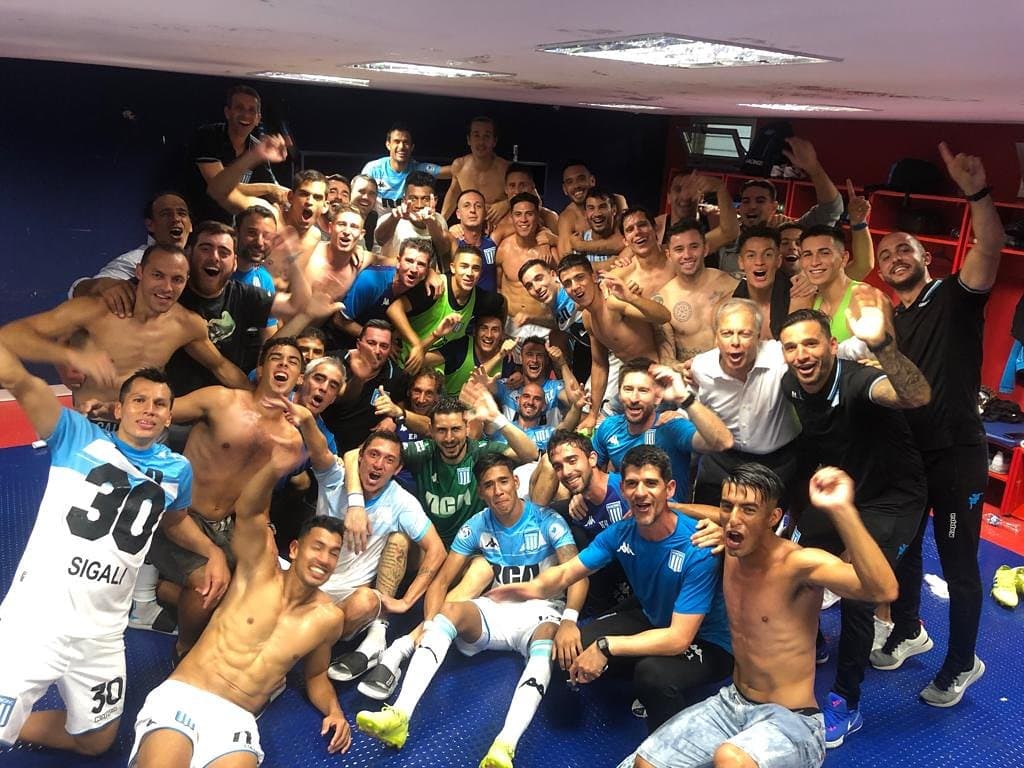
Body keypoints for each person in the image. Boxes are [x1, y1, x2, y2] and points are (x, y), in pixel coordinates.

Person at [618, 464, 899, 768]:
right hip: (731, 703)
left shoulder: (799, 564)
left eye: (749, 510)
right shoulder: (729, 545)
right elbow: (717, 516)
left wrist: (842, 509)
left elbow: (883, 589)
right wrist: (671, 506)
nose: (734, 519)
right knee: (645, 762)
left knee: (730, 759)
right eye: (728, 506)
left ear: (773, 517)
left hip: (793, 721)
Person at [0, 349, 194, 756]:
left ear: (169, 418)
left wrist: (211, 552)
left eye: (160, 404)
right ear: (119, 408)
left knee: (96, 741)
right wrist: (64, 352)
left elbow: (174, 519)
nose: (149, 409)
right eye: (139, 400)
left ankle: (14, 724)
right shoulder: (75, 434)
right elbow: (15, 375)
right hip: (37, 620)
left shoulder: (178, 470)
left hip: (103, 633)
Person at [128, 438, 359, 766]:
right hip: (187, 693)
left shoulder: (329, 619)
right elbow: (249, 511)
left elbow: (316, 675)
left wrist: (335, 711)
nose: (324, 558)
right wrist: (274, 468)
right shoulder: (257, 572)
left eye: (334, 553)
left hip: (237, 718)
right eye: (317, 547)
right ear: (295, 549)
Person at [869, 142, 1003, 707]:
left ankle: (962, 661)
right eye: (886, 253)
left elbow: (990, 246)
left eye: (905, 248)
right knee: (902, 549)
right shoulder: (888, 325)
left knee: (958, 562)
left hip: (955, 453)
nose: (895, 257)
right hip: (908, 455)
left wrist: (977, 192)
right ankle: (908, 629)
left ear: (927, 257)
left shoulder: (952, 296)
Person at [356, 453, 585, 768]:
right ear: (480, 492)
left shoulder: (548, 521)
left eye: (503, 481)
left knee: (547, 639)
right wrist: (429, 626)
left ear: (515, 482)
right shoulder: (476, 525)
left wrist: (570, 620)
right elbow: (441, 582)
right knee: (449, 611)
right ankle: (400, 715)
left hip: (541, 613)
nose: (498, 491)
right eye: (489, 485)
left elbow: (578, 574)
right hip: (496, 609)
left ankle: (504, 746)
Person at [490, 445, 732, 732]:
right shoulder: (621, 532)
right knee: (568, 652)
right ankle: (632, 673)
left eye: (650, 483)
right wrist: (525, 589)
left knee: (652, 676)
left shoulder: (698, 545)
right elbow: (567, 572)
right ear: (623, 489)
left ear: (669, 489)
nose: (640, 492)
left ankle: (668, 745)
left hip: (707, 641)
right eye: (632, 484)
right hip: (654, 618)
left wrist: (606, 647)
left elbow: (679, 638)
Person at [779, 301, 930, 747]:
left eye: (811, 344)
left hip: (892, 498)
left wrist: (882, 344)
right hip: (843, 490)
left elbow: (914, 396)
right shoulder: (792, 384)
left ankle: (846, 701)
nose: (802, 355)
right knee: (791, 560)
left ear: (832, 345)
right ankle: (815, 640)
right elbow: (814, 442)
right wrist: (793, 509)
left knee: (859, 593)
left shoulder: (859, 380)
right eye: (791, 347)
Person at [145, 336, 307, 657]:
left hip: (227, 526)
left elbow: (260, 494)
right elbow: (160, 412)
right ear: (261, 368)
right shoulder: (221, 400)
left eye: (292, 362)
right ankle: (186, 650)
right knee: (209, 585)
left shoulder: (291, 438)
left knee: (263, 590)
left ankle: (165, 590)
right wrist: (108, 407)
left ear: (299, 377)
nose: (283, 365)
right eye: (276, 358)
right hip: (180, 515)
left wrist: (267, 533)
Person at [0, 243, 250, 422]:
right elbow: (10, 336)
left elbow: (221, 367)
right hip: (91, 424)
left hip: (142, 429)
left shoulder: (187, 325)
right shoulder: (96, 310)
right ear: (139, 272)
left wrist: (259, 399)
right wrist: (70, 356)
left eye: (177, 279)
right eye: (157, 275)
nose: (167, 287)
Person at [292, 427, 445, 686]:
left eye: (389, 460)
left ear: (397, 469)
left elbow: (437, 550)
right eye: (374, 455)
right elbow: (325, 450)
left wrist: (406, 601)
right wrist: (355, 504)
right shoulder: (336, 477)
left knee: (368, 597)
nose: (379, 464)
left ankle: (364, 636)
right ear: (360, 457)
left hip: (347, 599)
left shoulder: (402, 502)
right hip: (309, 580)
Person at [689, 299, 801, 506]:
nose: (735, 342)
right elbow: (693, 404)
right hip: (722, 462)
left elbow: (827, 352)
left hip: (778, 463)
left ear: (759, 337)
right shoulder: (701, 367)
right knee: (705, 519)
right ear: (716, 337)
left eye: (745, 334)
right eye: (726, 333)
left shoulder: (779, 356)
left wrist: (866, 344)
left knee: (775, 522)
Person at [592, 358, 733, 501]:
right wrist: (584, 494)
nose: (634, 398)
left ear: (657, 398)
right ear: (619, 393)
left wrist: (684, 398)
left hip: (669, 512)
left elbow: (723, 442)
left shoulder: (672, 428)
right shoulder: (609, 427)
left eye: (643, 390)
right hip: (627, 511)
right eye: (628, 389)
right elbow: (590, 466)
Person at [556, 254, 671, 427]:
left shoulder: (613, 302)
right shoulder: (587, 317)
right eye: (567, 283)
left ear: (594, 277)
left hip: (657, 383)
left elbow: (664, 316)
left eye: (580, 277)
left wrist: (631, 298)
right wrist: (593, 414)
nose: (575, 287)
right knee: (600, 423)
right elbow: (599, 364)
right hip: (630, 383)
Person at [716, 138, 842, 274]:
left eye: (760, 201)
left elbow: (831, 209)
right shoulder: (726, 235)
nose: (752, 206)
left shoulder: (792, 233)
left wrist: (813, 168)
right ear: (739, 207)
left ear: (773, 207)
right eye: (746, 201)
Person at [387, 244, 505, 374]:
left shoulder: (480, 298)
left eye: (475, 268)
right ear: (453, 268)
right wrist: (416, 344)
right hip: (402, 357)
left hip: (431, 365)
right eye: (464, 266)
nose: (470, 273)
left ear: (480, 273)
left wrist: (500, 338)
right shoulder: (435, 287)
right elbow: (394, 308)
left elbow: (502, 303)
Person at [69, 191, 193, 302]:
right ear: (150, 225)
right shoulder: (136, 259)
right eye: (166, 214)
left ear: (191, 225)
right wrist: (102, 284)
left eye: (182, 213)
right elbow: (82, 291)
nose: (176, 219)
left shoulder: (198, 260)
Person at [188, 84, 283, 224]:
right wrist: (269, 189)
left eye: (251, 110)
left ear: (258, 119)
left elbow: (274, 193)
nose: (246, 115)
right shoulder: (209, 136)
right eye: (239, 108)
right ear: (227, 112)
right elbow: (218, 188)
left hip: (234, 229)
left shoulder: (257, 146)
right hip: (199, 224)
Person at [654, 219, 739, 362]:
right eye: (679, 249)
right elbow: (667, 359)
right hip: (689, 374)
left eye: (694, 247)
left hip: (734, 370)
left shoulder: (732, 284)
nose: (687, 255)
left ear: (705, 249)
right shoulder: (662, 301)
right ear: (669, 255)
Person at [733, 225, 815, 340]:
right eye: (751, 255)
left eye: (768, 255)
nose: (759, 262)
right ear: (741, 262)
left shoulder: (798, 295)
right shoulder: (729, 300)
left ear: (778, 261)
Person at [496, 193, 558, 339]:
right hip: (512, 325)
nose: (523, 220)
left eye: (529, 214)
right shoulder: (503, 249)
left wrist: (551, 239)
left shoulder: (550, 252)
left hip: (545, 326)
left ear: (537, 216)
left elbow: (564, 288)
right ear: (512, 217)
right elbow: (497, 288)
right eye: (518, 214)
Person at [440, 116, 511, 222]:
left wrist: (507, 203)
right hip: (469, 226)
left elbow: (532, 197)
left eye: (486, 136)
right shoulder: (459, 166)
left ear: (494, 141)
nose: (481, 142)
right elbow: (454, 194)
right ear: (469, 140)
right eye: (476, 136)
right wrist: (441, 222)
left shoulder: (506, 169)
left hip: (500, 226)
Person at [361, 123, 446, 209]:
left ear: (412, 147)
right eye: (396, 142)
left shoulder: (419, 169)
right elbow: (359, 195)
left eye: (406, 142)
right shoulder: (373, 169)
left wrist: (444, 215)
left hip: (407, 217)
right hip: (377, 217)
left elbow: (452, 171)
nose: (401, 146)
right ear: (388, 145)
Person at [375, 171, 451, 265]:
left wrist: (430, 223)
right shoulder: (391, 218)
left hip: (426, 274)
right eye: (413, 199)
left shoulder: (439, 220)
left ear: (435, 200)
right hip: (393, 272)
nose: (419, 205)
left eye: (425, 199)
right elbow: (380, 240)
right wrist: (394, 219)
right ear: (404, 200)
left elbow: (442, 251)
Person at [429, 313, 514, 396]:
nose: (489, 335)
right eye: (483, 328)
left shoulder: (507, 358)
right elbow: (425, 360)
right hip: (447, 404)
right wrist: (435, 335)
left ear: (502, 335)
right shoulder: (461, 346)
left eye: (495, 330)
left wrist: (518, 374)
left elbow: (505, 395)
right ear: (474, 331)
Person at [557, 160, 628, 258]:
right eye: (570, 182)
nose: (576, 186)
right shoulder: (567, 217)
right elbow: (566, 259)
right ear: (565, 189)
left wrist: (581, 246)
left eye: (581, 179)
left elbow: (624, 242)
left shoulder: (617, 201)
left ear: (592, 181)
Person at [488, 164, 559, 245]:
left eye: (522, 185)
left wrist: (555, 240)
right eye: (512, 186)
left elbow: (565, 248)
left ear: (532, 186)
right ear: (506, 189)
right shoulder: (495, 219)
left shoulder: (549, 217)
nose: (517, 191)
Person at [449, 187, 499, 291]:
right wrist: (448, 230)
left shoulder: (493, 241)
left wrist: (506, 203)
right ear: (458, 214)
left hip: (490, 300)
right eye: (466, 206)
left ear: (485, 213)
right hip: (461, 300)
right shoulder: (451, 241)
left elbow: (517, 225)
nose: (472, 210)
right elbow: (437, 234)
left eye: (478, 206)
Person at [568, 187, 625, 264]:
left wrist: (581, 246)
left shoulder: (627, 238)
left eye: (602, 207)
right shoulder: (577, 240)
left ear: (614, 210)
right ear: (585, 213)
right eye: (591, 208)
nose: (597, 214)